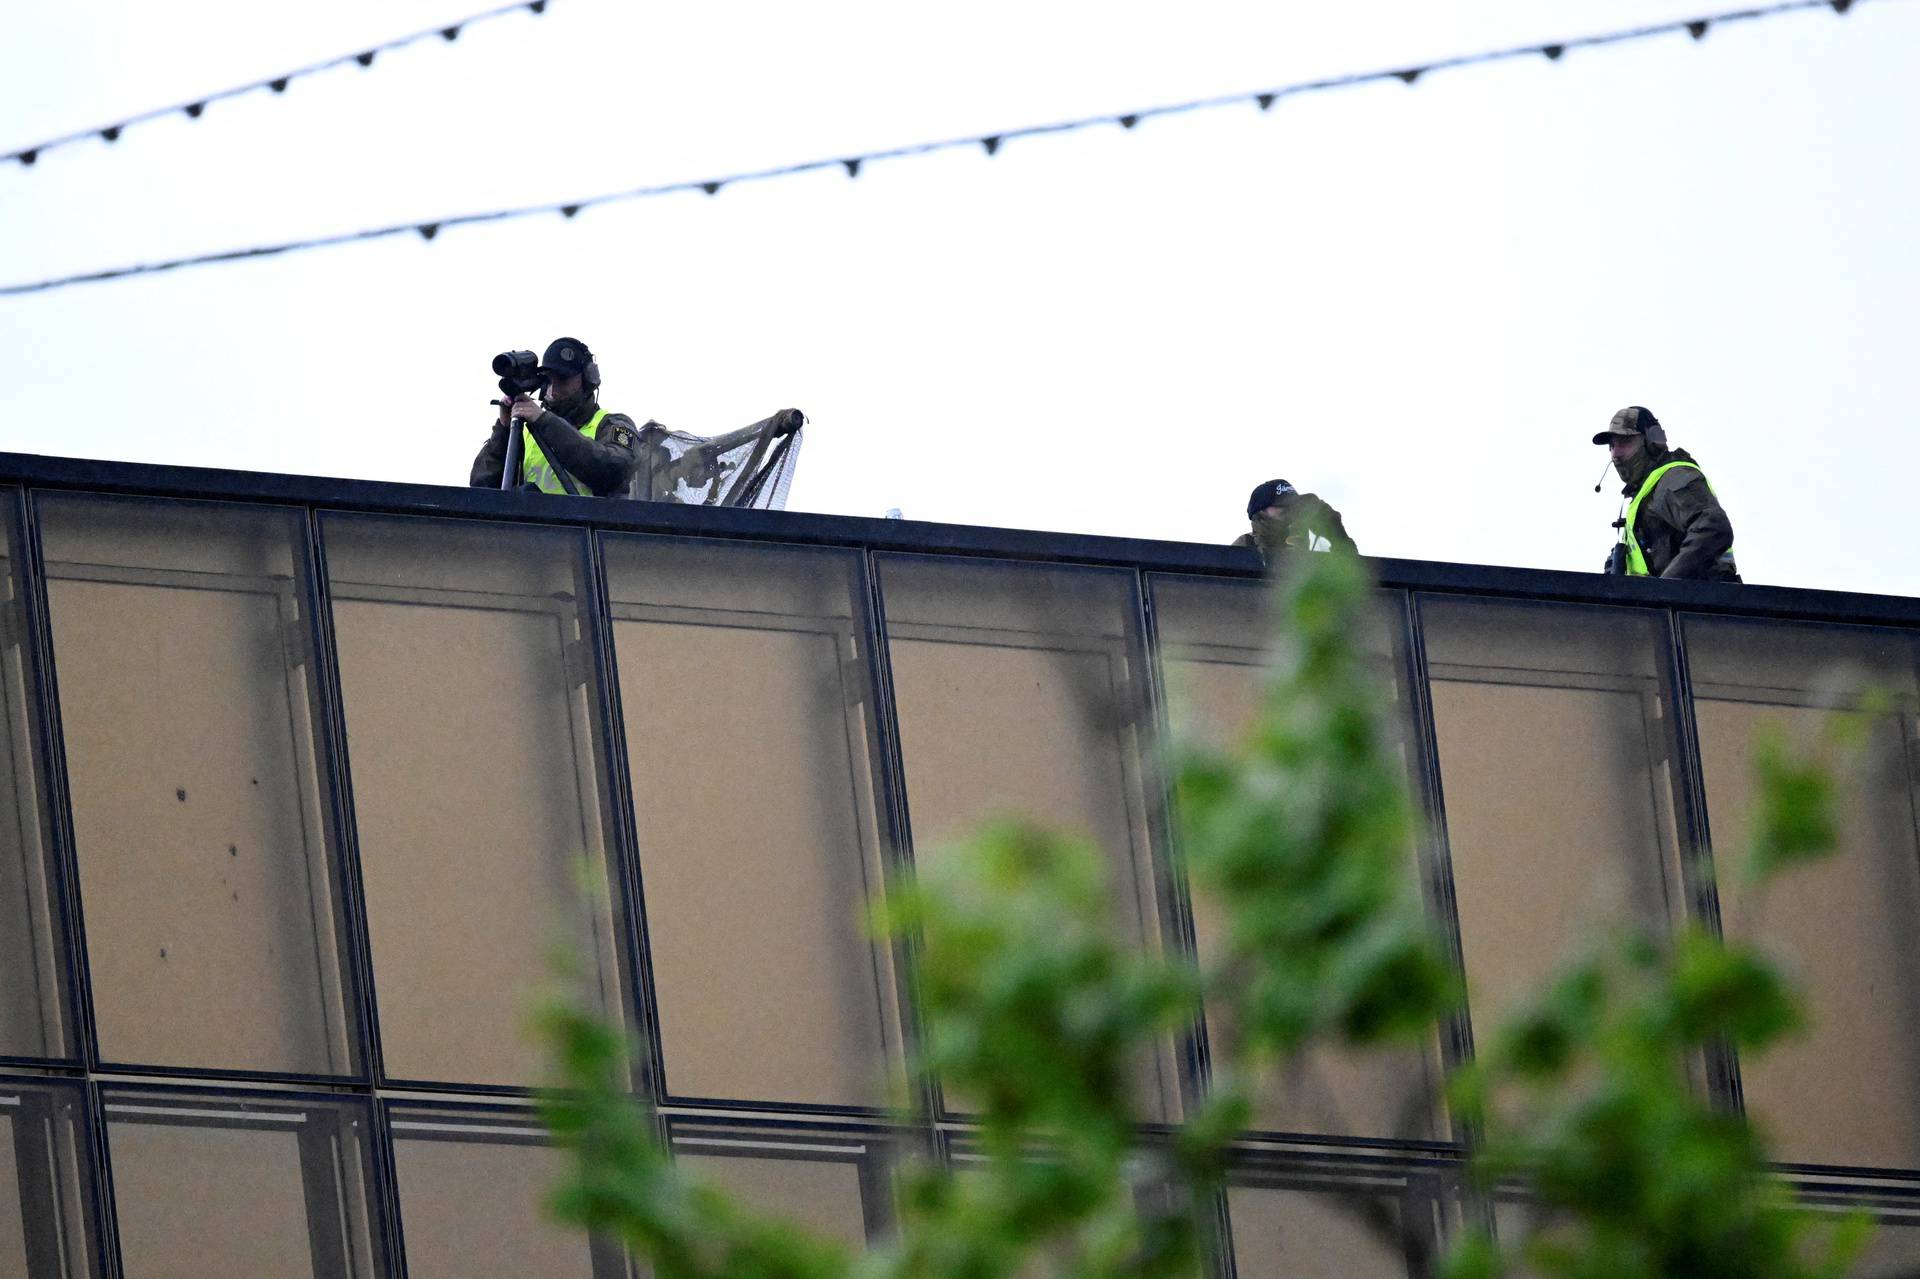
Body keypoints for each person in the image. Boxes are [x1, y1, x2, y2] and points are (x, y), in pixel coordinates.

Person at [470, 337, 643, 496]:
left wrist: (544, 421)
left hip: (586, 528)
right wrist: (505, 429)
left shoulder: (612, 424)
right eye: (549, 379)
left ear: (587, 380)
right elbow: (481, 489)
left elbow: (613, 471)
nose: (555, 388)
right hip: (531, 528)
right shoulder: (526, 430)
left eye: (563, 379)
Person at [1595, 406, 1739, 581]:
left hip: (1701, 604)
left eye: (1624, 442)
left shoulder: (1673, 478)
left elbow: (1714, 527)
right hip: (1673, 605)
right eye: (1611, 446)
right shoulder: (1644, 493)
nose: (1615, 454)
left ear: (1651, 441)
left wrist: (1664, 590)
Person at [1232, 478, 1358, 556]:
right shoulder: (1245, 546)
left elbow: (1353, 575)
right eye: (1281, 505)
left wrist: (1336, 532)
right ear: (1260, 514)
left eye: (1293, 505)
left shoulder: (1316, 543)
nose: (1290, 511)